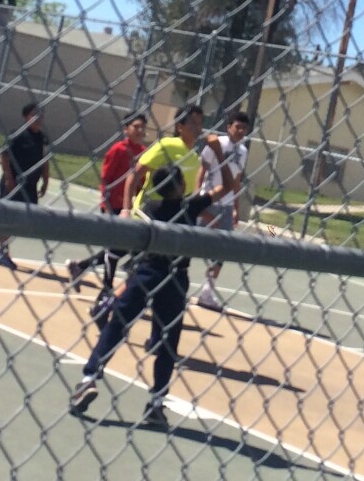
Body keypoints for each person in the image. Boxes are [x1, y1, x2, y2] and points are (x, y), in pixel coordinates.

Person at [69, 139, 234, 427]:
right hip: (176, 278)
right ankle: (156, 401)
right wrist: (219, 157)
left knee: (117, 325)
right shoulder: (190, 206)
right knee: (167, 342)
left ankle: (90, 377)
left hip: (147, 271)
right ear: (181, 186)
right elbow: (226, 187)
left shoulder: (150, 207)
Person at [66, 112, 147, 289]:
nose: (140, 131)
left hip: (131, 207)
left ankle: (80, 266)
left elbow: (141, 182)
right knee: (116, 247)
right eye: (136, 127)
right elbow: (105, 179)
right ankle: (107, 286)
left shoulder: (143, 153)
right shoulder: (118, 149)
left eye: (143, 127)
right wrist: (107, 205)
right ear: (126, 129)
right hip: (114, 206)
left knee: (121, 247)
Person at [194, 111, 250, 311]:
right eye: (238, 127)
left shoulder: (243, 151)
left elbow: (236, 181)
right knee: (190, 242)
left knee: (222, 249)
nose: (241, 131)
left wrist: (235, 207)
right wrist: (196, 197)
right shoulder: (217, 144)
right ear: (229, 127)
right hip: (208, 199)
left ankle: (207, 293)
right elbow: (202, 169)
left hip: (225, 205)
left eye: (244, 128)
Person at [0, 103, 50, 270]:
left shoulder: (42, 138)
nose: (39, 118)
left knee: (27, 218)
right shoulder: (17, 135)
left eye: (41, 114)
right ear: (26, 117)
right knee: (8, 216)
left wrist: (45, 180)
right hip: (14, 182)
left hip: (30, 185)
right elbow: (5, 156)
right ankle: (0, 247)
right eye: (35, 114)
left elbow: (45, 161)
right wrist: (9, 179)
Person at [121, 103, 204, 217]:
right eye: (193, 123)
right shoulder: (167, 145)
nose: (198, 128)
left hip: (174, 217)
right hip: (148, 213)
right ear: (179, 126)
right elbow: (134, 175)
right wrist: (126, 209)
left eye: (200, 124)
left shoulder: (195, 157)